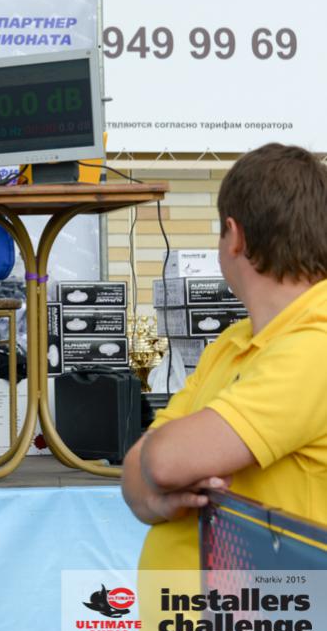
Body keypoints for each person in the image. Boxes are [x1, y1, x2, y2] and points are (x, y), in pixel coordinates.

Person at [123, 142, 327, 572]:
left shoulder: (317, 344)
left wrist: (165, 468)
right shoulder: (232, 342)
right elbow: (134, 476)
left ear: (235, 236)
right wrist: (157, 495)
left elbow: (160, 460)